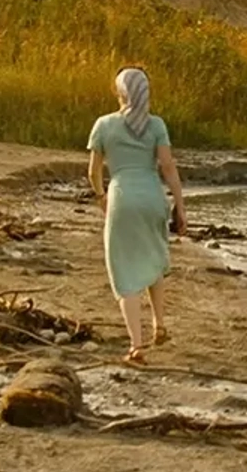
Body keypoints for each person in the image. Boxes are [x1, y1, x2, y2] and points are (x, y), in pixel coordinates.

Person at [87, 66, 186, 363]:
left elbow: (93, 172)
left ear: (120, 92)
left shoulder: (104, 125)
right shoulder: (156, 125)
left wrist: (101, 196)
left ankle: (136, 346)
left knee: (124, 271)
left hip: (122, 196)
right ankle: (160, 325)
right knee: (154, 256)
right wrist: (180, 204)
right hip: (152, 196)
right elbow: (168, 167)